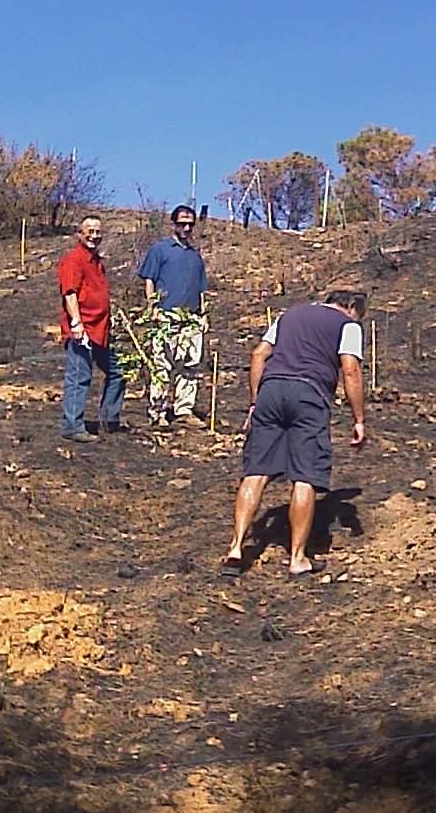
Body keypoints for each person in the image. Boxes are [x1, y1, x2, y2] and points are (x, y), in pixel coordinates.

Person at [223, 290, 368, 578]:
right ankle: (298, 558)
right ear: (351, 307)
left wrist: (255, 402)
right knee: (305, 476)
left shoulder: (289, 315)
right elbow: (350, 370)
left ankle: (236, 548)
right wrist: (359, 419)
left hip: (271, 391)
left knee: (256, 472)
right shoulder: (347, 325)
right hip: (309, 394)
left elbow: (259, 354)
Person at [137, 204, 210, 429]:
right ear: (174, 224)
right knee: (161, 364)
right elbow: (149, 280)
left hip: (191, 318)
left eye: (190, 225)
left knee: (190, 364)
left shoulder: (195, 256)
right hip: (165, 316)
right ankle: (158, 411)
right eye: (182, 224)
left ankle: (184, 410)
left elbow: (201, 289)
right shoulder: (160, 250)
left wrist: (203, 315)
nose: (186, 228)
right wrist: (152, 308)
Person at [57, 215, 125, 443]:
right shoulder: (73, 260)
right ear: (80, 234)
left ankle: (109, 419)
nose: (94, 236)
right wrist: (76, 323)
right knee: (79, 377)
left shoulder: (97, 262)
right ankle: (72, 426)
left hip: (101, 330)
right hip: (83, 330)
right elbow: (70, 293)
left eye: (98, 232)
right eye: (90, 231)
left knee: (118, 372)